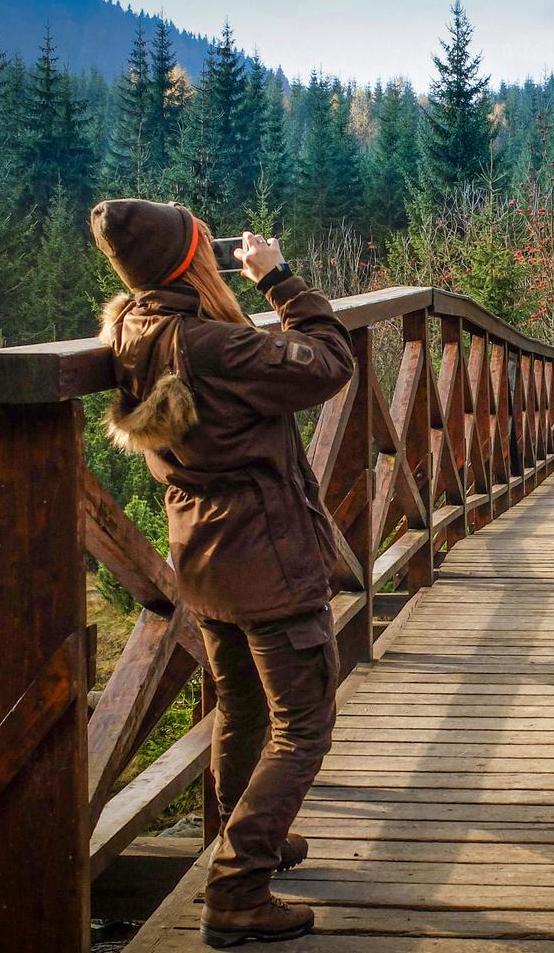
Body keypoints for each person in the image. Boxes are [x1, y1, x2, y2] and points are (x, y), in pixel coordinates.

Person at [89, 198, 355, 947]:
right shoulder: (209, 344)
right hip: (267, 557)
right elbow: (331, 362)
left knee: (241, 711)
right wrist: (279, 281)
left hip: (201, 558)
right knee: (304, 726)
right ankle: (237, 890)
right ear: (190, 262)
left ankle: (250, 843)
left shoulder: (132, 332)